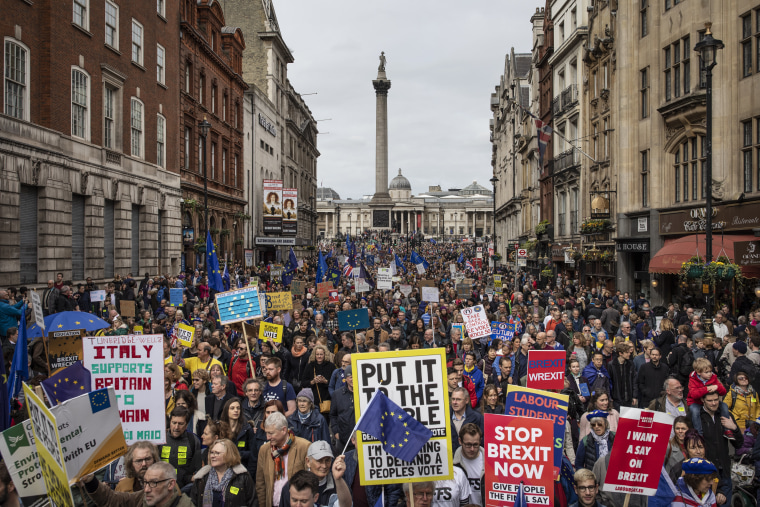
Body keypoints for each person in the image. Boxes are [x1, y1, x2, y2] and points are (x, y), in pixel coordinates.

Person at [256, 411, 311, 507]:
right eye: (266, 433)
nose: (268, 437)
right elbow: (260, 484)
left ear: (284, 430)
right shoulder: (264, 450)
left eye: (271, 433)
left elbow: (310, 482)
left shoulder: (304, 447)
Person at [699, 391, 743, 506]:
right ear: (703, 400)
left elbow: (738, 444)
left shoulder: (725, 415)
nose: (714, 403)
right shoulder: (697, 417)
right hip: (706, 472)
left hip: (724, 470)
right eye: (710, 400)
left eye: (716, 400)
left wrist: (734, 428)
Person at [83, 461, 193, 506]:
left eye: (154, 483)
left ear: (170, 484)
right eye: (145, 483)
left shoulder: (185, 505)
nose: (146, 489)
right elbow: (111, 499)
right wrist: (90, 480)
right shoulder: (142, 498)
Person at [189, 439, 256, 507]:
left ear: (229, 454)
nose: (212, 456)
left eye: (217, 453)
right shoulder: (202, 477)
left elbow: (253, 503)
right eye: (211, 452)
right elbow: (192, 503)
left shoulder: (242, 477)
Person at [687, 358, 733, 438]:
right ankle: (699, 433)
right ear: (699, 372)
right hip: (696, 402)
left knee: (724, 406)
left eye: (710, 371)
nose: (709, 374)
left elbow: (723, 392)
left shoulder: (713, 378)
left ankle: (727, 429)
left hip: (711, 401)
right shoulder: (693, 380)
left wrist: (717, 387)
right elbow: (694, 394)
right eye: (706, 372)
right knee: (694, 411)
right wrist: (706, 389)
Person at [159, 407, 201, 489]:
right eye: (174, 423)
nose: (176, 427)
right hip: (163, 487)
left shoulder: (193, 440)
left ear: (186, 424)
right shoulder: (161, 438)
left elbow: (197, 466)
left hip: (186, 488)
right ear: (170, 422)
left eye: (180, 424)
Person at [220, 398, 256, 472]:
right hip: (223, 467)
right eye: (232, 408)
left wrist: (237, 454)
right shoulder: (220, 429)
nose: (236, 410)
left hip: (242, 467)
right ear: (227, 411)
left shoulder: (247, 429)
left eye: (238, 408)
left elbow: (253, 453)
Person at [453, 423, 484, 506]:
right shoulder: (453, 464)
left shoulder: (489, 462)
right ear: (460, 441)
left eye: (475, 445)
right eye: (468, 445)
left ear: (480, 441)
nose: (472, 449)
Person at [303, 345, 335, 419]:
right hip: (313, 398)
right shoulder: (310, 366)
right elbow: (303, 382)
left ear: (325, 354)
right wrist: (313, 381)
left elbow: (335, 383)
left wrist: (326, 381)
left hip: (327, 398)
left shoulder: (331, 366)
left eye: (321, 354)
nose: (319, 356)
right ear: (314, 355)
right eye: (317, 354)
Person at [330, 365, 356, 454]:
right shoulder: (337, 394)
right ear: (346, 378)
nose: (352, 379)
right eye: (350, 377)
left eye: (355, 376)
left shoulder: (363, 393)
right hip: (343, 439)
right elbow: (333, 415)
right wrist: (336, 432)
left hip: (360, 438)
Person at [450, 387, 483, 455]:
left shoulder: (477, 418)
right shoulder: (444, 418)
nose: (454, 402)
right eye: (453, 399)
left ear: (466, 400)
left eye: (458, 399)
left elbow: (483, 441)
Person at [608, 341, 636, 410]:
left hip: (628, 398)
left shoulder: (630, 364)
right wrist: (610, 397)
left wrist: (634, 396)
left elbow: (634, 380)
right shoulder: (611, 365)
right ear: (620, 353)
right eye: (627, 352)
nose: (629, 354)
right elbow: (609, 382)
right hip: (616, 399)